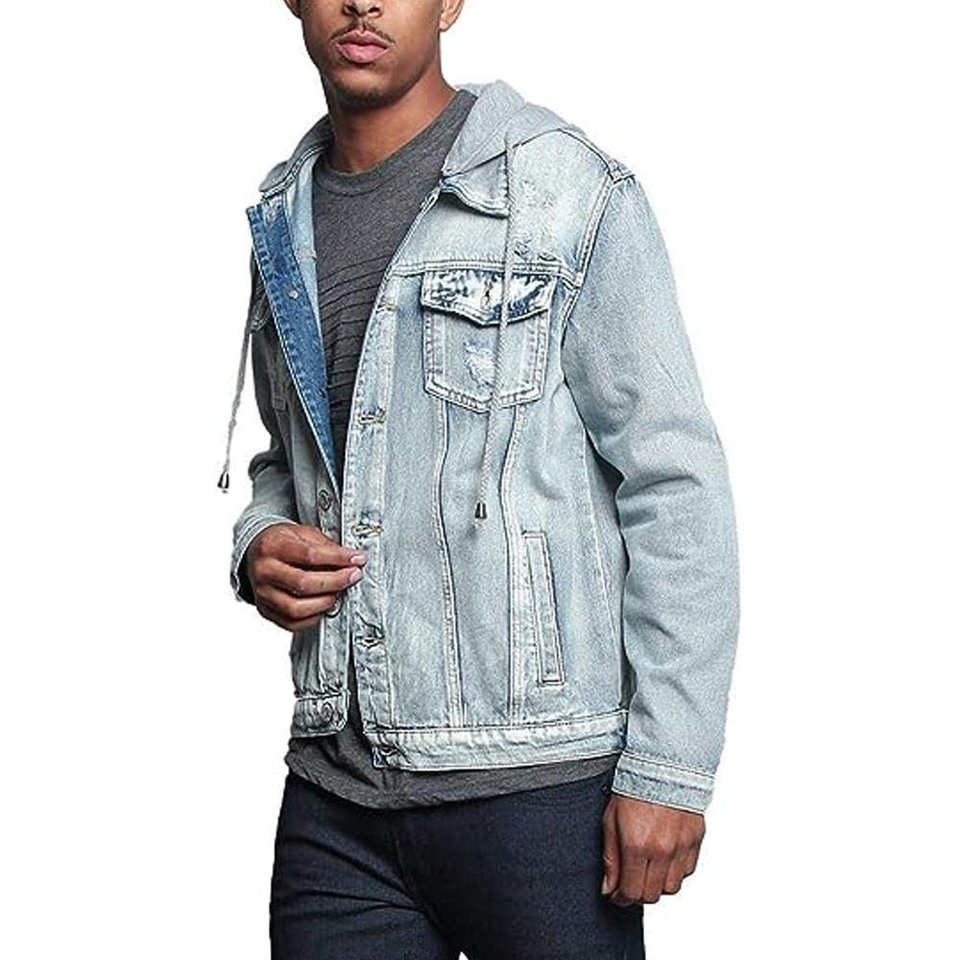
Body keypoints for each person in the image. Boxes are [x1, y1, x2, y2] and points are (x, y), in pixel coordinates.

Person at [218, 2, 740, 957]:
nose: (363, 2)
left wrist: (670, 768)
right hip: (336, 802)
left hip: (542, 790)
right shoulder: (282, 214)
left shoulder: (565, 191)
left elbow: (674, 483)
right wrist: (260, 544)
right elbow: (293, 457)